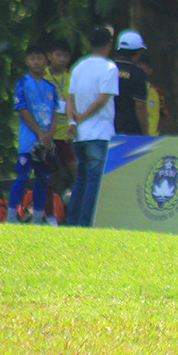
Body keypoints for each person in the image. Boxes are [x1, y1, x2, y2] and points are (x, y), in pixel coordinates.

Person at [66, 26, 119, 227]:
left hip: (80, 135)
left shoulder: (78, 67)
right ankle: (86, 223)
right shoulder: (110, 68)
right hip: (99, 133)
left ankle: (72, 221)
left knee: (81, 179)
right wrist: (83, 116)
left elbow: (69, 98)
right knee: (95, 181)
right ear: (110, 43)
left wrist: (73, 121)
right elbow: (102, 100)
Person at [7, 44, 59, 224]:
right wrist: (39, 132)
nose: (36, 62)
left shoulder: (50, 87)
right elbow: (22, 110)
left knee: (42, 178)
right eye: (33, 58)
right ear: (27, 61)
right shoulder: (22, 83)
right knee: (22, 176)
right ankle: (11, 216)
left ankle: (37, 217)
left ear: (46, 60)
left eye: (40, 58)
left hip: (45, 142)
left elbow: (54, 113)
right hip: (28, 141)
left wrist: (50, 134)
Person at [44, 38, 77, 196]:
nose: (62, 59)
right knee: (48, 173)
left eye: (65, 56)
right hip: (47, 133)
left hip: (65, 133)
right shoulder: (42, 76)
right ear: (50, 56)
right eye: (58, 55)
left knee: (74, 168)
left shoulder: (71, 77)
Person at [113, 30, 148, 136]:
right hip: (130, 128)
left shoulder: (108, 68)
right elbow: (140, 105)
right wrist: (145, 133)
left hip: (107, 125)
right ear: (137, 53)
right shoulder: (138, 73)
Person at [137, 53, 169, 136]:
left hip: (152, 137)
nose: (141, 73)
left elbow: (163, 115)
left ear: (149, 71)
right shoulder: (128, 89)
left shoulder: (156, 92)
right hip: (134, 135)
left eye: (143, 70)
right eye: (138, 70)